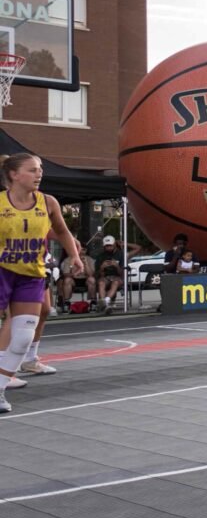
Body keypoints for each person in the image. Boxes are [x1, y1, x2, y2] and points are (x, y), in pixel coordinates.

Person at [0, 154, 83, 412]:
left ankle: (0, 388)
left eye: (41, 169)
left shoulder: (48, 202)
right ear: (14, 175)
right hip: (3, 270)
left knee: (23, 336)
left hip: (31, 274)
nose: (39, 174)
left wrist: (75, 255)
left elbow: (61, 230)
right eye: (33, 170)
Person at [96, 235, 124, 315]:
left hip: (118, 277)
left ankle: (105, 301)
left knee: (115, 282)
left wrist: (116, 266)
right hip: (105, 277)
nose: (108, 248)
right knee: (101, 282)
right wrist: (102, 267)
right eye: (106, 246)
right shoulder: (100, 256)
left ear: (114, 244)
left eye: (110, 245)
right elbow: (99, 274)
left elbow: (122, 273)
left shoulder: (121, 254)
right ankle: (105, 304)